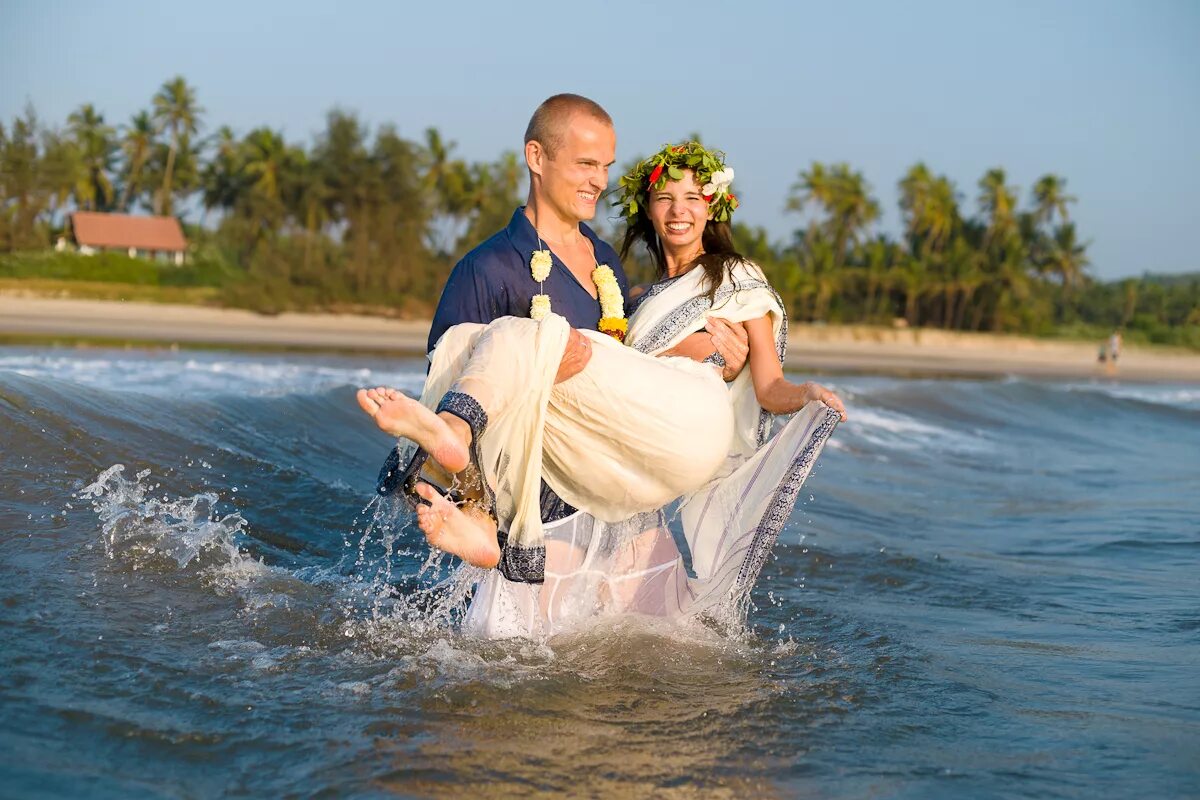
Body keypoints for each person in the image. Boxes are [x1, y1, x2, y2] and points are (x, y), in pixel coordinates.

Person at [359, 139, 845, 605]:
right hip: (642, 432)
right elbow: (627, 371)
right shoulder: (637, 301)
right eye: (666, 198)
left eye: (694, 199)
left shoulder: (736, 276)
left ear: (712, 207)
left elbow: (770, 385)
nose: (680, 211)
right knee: (471, 340)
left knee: (525, 333)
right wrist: (682, 346)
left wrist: (805, 394)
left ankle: (452, 433)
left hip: (693, 416)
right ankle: (485, 517)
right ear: (647, 208)